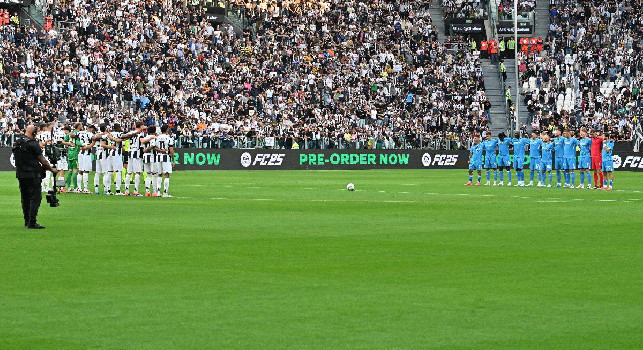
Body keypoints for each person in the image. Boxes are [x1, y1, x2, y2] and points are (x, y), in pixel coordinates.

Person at [13, 125, 58, 229]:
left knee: (25, 198)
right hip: (32, 174)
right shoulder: (33, 144)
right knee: (35, 198)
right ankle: (32, 222)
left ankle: (26, 221)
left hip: (20, 174)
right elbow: (43, 160)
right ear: (34, 133)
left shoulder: (17, 142)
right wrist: (52, 169)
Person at [153, 125, 175, 198]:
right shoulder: (169, 138)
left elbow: (154, 147)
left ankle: (158, 192)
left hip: (158, 156)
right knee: (166, 174)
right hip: (165, 156)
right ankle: (165, 193)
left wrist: (160, 150)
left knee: (159, 174)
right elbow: (171, 150)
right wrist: (173, 160)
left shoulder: (157, 138)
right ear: (167, 130)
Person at [142, 126, 158, 197]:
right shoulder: (154, 137)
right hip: (152, 156)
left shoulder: (145, 137)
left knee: (148, 175)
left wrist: (145, 150)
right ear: (154, 131)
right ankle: (154, 192)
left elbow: (142, 148)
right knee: (155, 175)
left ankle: (147, 191)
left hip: (145, 156)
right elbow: (153, 146)